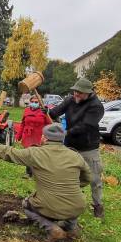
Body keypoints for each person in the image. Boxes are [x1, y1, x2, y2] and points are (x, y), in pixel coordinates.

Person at [0, 123, 92, 242]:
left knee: (26, 205)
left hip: (51, 206)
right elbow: (88, 177)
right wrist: (72, 186)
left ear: (44, 137)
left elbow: (10, 153)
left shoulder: (35, 153)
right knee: (71, 203)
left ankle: (52, 229)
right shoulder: (75, 155)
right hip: (77, 206)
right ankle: (71, 228)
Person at [49, 78, 105, 218]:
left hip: (88, 147)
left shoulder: (96, 106)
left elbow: (86, 126)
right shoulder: (70, 100)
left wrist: (66, 132)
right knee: (67, 175)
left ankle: (98, 206)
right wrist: (47, 112)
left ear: (88, 93)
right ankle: (65, 202)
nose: (76, 95)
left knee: (94, 178)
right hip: (70, 145)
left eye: (79, 93)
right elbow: (55, 112)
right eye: (75, 92)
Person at [16, 95, 52, 177]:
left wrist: (46, 136)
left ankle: (38, 172)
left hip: (38, 136)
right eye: (32, 102)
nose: (34, 103)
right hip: (28, 135)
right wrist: (18, 135)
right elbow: (23, 124)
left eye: (36, 102)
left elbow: (50, 124)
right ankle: (28, 172)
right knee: (28, 154)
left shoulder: (43, 112)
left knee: (38, 155)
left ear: (40, 103)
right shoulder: (26, 110)